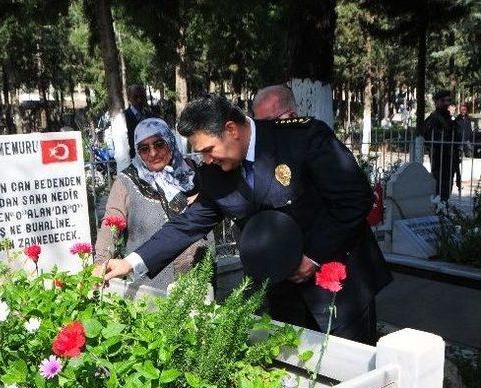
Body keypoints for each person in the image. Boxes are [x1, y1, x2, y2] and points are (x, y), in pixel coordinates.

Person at [102, 95, 392, 345]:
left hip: (340, 284)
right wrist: (130, 262)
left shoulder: (301, 139)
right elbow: (187, 224)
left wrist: (313, 256)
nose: (205, 160)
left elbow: (355, 198)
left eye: (207, 149)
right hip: (283, 290)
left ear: (231, 130)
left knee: (352, 380)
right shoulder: (215, 173)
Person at [93, 118, 210, 290]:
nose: (153, 153)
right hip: (153, 279)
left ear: (170, 141)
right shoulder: (126, 181)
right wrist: (100, 264)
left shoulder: (190, 171)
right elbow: (111, 223)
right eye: (144, 148)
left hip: (198, 271)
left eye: (159, 144)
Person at [424, 90, 459, 202]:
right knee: (438, 189)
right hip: (439, 159)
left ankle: (442, 209)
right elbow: (428, 138)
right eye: (445, 101)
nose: (447, 103)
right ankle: (438, 211)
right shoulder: (433, 119)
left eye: (448, 100)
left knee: (447, 187)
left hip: (450, 159)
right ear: (438, 102)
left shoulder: (449, 119)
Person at [124, 85, 152, 159]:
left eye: (142, 96)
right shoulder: (124, 118)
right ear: (129, 98)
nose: (139, 100)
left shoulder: (151, 116)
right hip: (133, 159)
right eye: (135, 97)